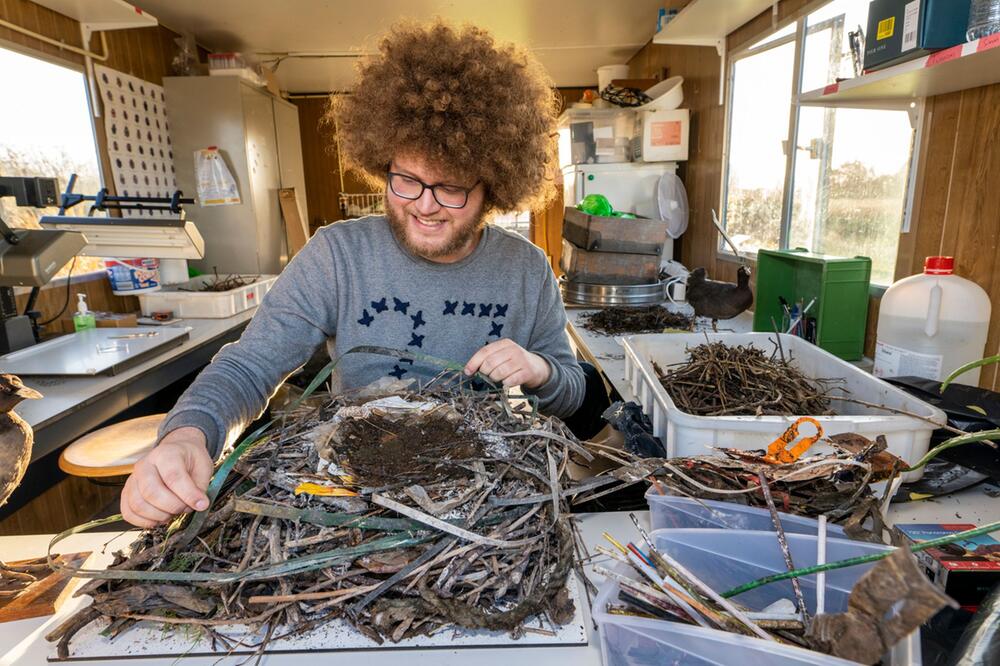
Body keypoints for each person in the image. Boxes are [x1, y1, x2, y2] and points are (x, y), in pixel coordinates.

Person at [120, 20, 586, 528]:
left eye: (450, 188)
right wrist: (189, 434)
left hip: (482, 502)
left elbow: (572, 392)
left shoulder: (526, 269)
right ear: (381, 164)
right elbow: (250, 365)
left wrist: (538, 370)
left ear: (492, 185)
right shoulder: (337, 255)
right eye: (406, 180)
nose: (425, 207)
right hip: (359, 495)